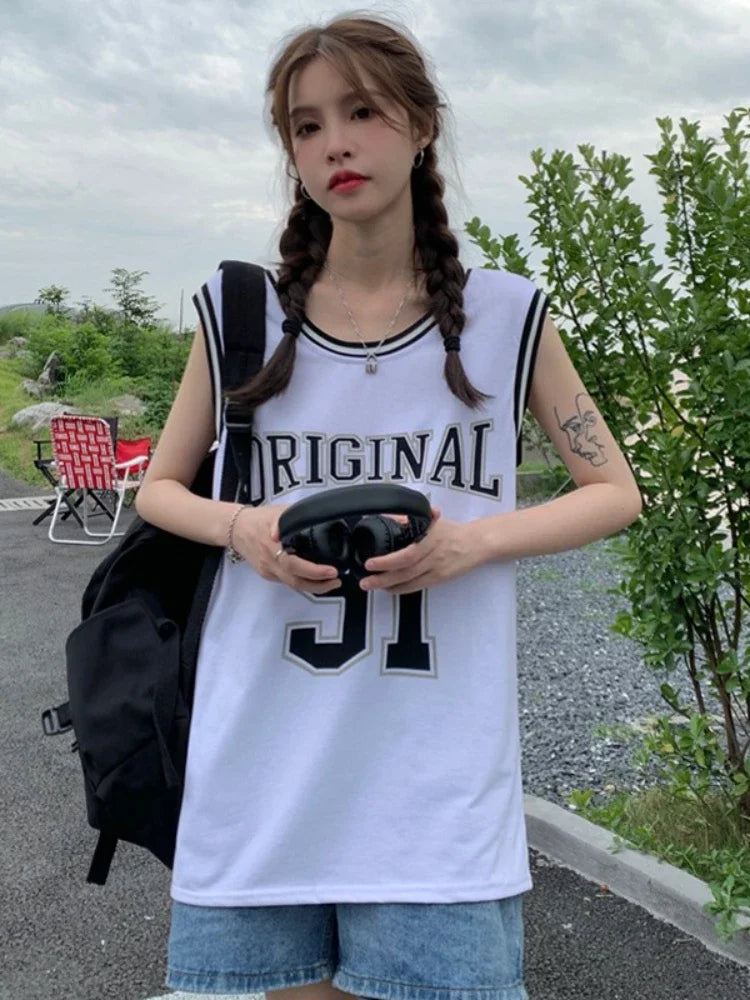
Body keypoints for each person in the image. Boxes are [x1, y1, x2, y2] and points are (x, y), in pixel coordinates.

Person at [135, 11, 643, 1000]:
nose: (335, 143)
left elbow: (614, 492)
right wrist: (241, 527)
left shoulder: (506, 316)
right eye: (306, 125)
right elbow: (159, 489)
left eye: (362, 111)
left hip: (436, 787)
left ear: (421, 124)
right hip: (262, 772)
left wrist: (471, 544)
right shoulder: (238, 313)